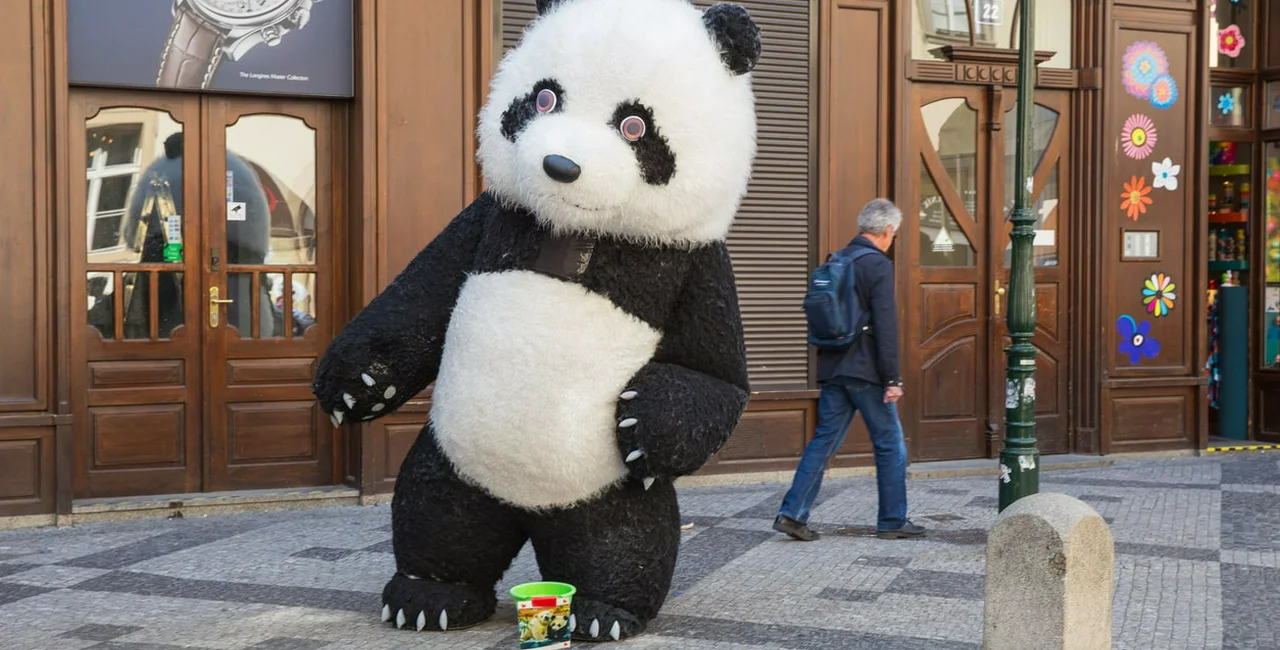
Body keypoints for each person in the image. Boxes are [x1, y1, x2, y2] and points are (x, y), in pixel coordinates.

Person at [773, 198, 925, 541]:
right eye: (894, 233)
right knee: (890, 443)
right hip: (868, 373)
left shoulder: (836, 259)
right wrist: (893, 379)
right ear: (888, 231)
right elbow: (886, 326)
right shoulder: (877, 265)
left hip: (833, 367)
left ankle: (792, 513)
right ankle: (892, 520)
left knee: (823, 442)